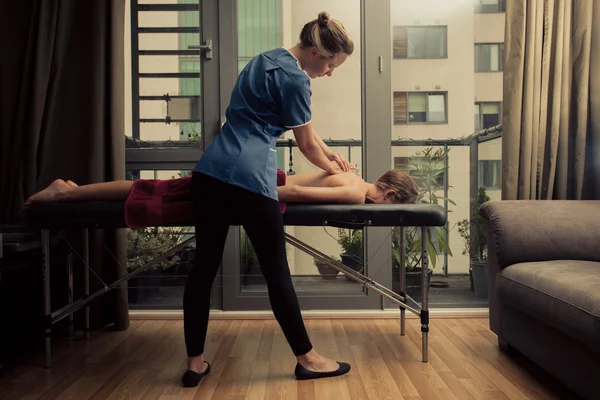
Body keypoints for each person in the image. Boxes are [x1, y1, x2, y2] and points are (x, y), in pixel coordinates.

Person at [24, 168, 419, 206]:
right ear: (389, 194)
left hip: (254, 176)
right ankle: (67, 192)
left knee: (154, 187)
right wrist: (247, 197)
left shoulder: (353, 176)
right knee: (151, 191)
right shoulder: (353, 192)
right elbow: (295, 194)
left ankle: (74, 188)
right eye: (390, 203)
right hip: (250, 183)